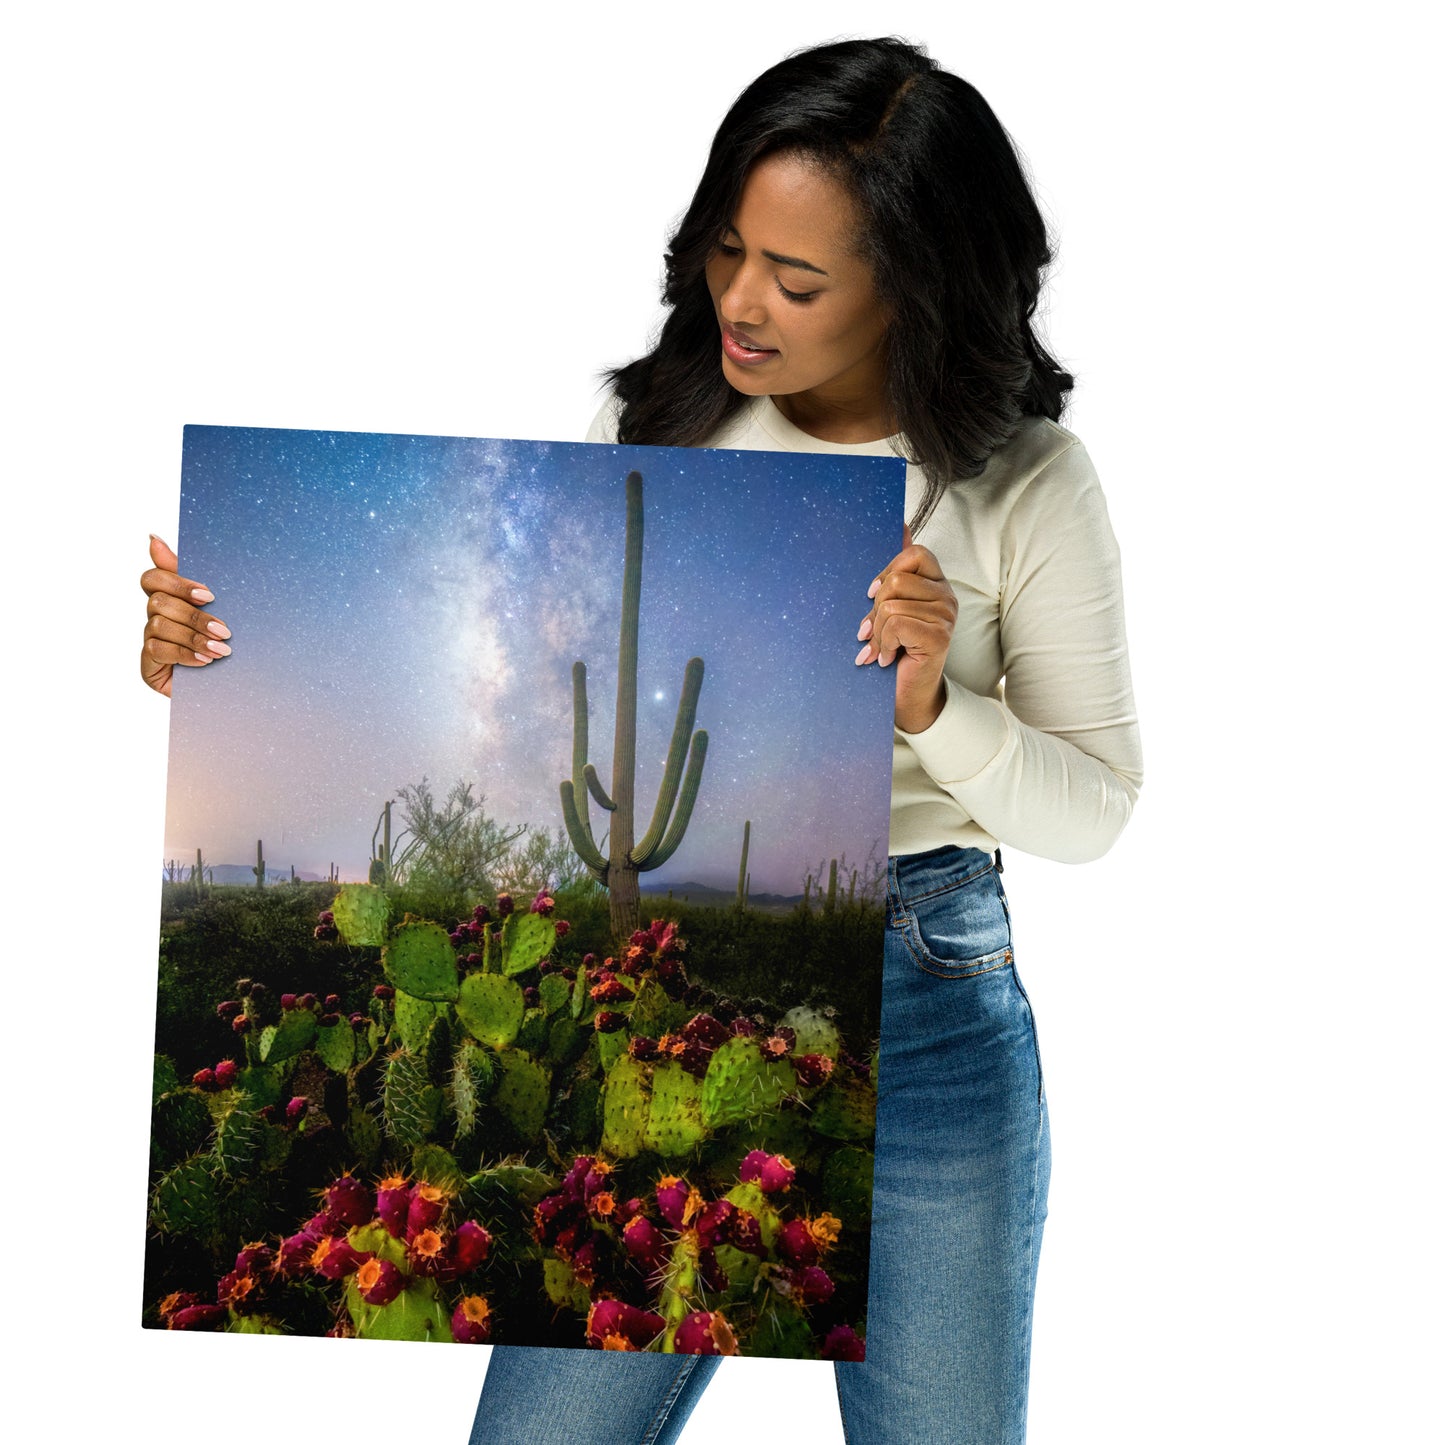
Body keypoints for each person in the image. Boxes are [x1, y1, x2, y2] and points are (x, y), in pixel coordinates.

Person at [139, 36, 1142, 1445]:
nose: (741, 301)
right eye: (729, 250)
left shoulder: (1029, 480)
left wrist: (932, 708)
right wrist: (219, 662)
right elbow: (510, 706)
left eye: (796, 280)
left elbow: (1096, 807)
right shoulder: (655, 417)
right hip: (653, 1001)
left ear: (915, 283)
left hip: (927, 1003)